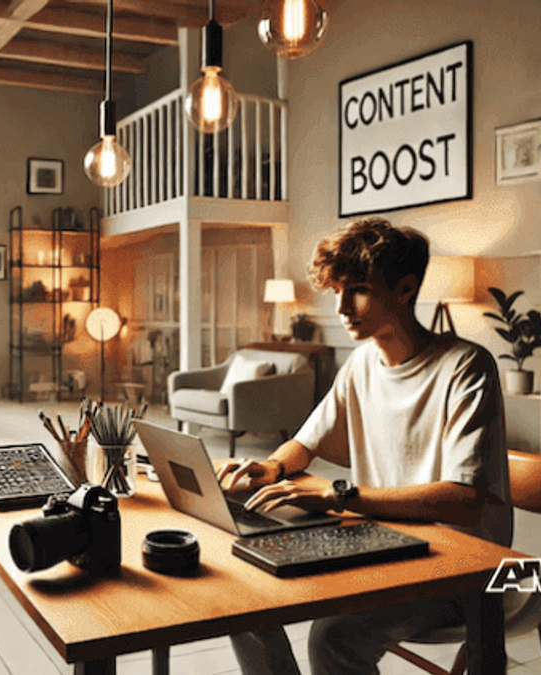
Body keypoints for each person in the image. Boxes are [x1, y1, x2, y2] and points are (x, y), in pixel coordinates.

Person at [217, 217, 512, 675]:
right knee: (241, 592)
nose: (341, 307)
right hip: (384, 541)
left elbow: (465, 501)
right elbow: (304, 442)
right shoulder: (361, 364)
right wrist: (272, 468)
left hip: (460, 567)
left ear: (406, 288)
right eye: (337, 291)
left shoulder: (465, 366)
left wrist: (338, 496)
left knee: (334, 638)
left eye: (357, 289)